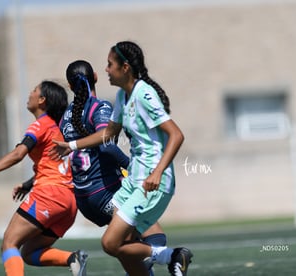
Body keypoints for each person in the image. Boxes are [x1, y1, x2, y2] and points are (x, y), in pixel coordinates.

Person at [52, 42, 193, 276]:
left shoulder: (143, 93)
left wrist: (157, 171)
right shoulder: (121, 96)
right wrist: (72, 145)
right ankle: (168, 257)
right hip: (130, 182)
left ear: (125, 67)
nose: (106, 69)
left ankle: (172, 256)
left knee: (112, 243)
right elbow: (108, 135)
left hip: (149, 181)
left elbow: (176, 135)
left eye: (110, 64)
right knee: (120, 244)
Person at [0, 80, 87, 276]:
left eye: (34, 90)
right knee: (30, 254)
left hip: (49, 195)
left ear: (42, 100)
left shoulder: (40, 125)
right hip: (70, 203)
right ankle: (72, 259)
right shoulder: (56, 128)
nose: (29, 93)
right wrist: (29, 184)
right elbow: (55, 165)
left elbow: (18, 154)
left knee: (8, 243)